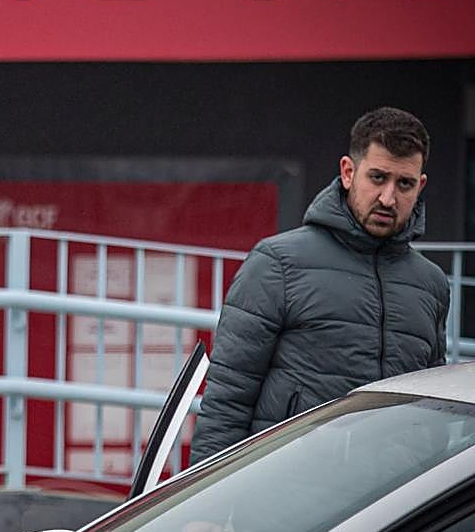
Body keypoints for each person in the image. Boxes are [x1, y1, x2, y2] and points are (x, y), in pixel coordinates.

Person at [189, 106, 450, 465]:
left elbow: (432, 411)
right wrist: (207, 508)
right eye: (377, 178)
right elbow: (228, 400)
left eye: (403, 184)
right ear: (348, 172)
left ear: (419, 186)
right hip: (287, 495)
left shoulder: (431, 284)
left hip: (392, 505)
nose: (389, 198)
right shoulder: (277, 263)